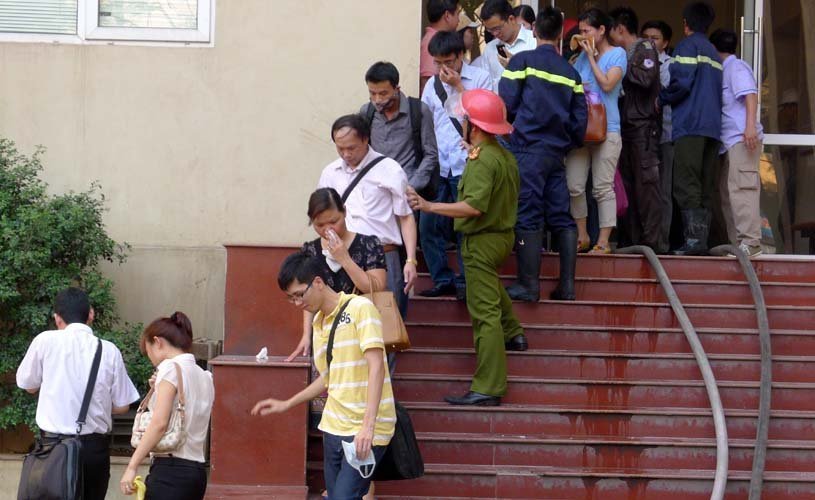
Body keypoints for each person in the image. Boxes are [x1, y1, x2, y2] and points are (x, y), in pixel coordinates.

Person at [408, 88, 527, 407]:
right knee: (490, 288)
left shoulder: (481, 161)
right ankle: (513, 331)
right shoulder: (501, 154)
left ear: (473, 126)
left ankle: (488, 386)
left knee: (484, 314)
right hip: (501, 238)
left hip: (481, 242)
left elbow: (473, 206)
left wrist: (430, 207)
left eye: (464, 120)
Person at [251, 251, 395, 499]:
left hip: (364, 430)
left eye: (299, 294)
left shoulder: (360, 308)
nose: (297, 303)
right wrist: (287, 403)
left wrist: (367, 427)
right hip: (333, 426)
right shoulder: (318, 324)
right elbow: (329, 377)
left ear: (318, 282)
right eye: (291, 298)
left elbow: (377, 367)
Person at [16, 287, 140, 500]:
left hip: (53, 449)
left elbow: (28, 385)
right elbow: (122, 406)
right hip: (93, 451)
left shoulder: (45, 341)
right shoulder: (108, 350)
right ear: (90, 314)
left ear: (57, 318)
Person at [499, 6, 588, 302]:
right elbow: (580, 120)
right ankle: (567, 287)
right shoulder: (571, 73)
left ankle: (528, 285)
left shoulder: (522, 62)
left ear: (534, 30)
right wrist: (566, 143)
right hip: (556, 153)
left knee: (528, 213)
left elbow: (506, 104)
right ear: (561, 34)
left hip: (527, 150)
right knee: (562, 216)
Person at [318, 114, 417, 318]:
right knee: (342, 322)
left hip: (382, 256)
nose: (346, 154)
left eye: (351, 148)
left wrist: (411, 260)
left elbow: (406, 217)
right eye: (340, 148)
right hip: (341, 257)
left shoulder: (389, 169)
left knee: (386, 323)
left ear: (365, 139)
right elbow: (322, 219)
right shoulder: (330, 173)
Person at [419, 31, 493, 300]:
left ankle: (465, 282)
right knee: (428, 226)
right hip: (439, 164)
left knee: (465, 228)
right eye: (437, 63)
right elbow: (426, 123)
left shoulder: (481, 78)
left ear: (461, 55)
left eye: (448, 61)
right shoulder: (431, 85)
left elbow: (485, 117)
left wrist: (460, 86)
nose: (443, 68)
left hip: (467, 163)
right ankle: (442, 279)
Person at [120, 312, 215, 500]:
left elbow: (159, 424)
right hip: (196, 472)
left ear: (158, 342)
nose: (151, 359)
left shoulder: (169, 368)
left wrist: (132, 466)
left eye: (148, 351)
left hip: (170, 471)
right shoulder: (205, 377)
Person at [287, 187, 387, 359]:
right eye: (319, 225)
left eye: (333, 222)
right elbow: (308, 295)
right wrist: (306, 334)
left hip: (361, 330)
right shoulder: (310, 250)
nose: (328, 229)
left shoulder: (368, 244)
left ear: (345, 212)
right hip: (326, 333)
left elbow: (376, 287)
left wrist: (344, 259)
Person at [659, 1, 723, 255]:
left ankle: (694, 244)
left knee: (686, 183)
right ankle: (701, 243)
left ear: (686, 24)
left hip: (690, 125)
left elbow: (681, 83)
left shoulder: (687, 46)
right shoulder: (714, 52)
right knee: (705, 185)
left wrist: (661, 98)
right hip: (712, 128)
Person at [566, 8, 627, 254]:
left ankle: (603, 241)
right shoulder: (579, 57)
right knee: (574, 185)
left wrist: (591, 58)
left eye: (587, 30)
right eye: (580, 31)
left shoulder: (617, 54)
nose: (583, 35)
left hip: (608, 128)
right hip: (581, 130)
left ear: (602, 30)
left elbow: (608, 84)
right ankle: (582, 235)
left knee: (602, 187)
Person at [609, 7, 667, 253]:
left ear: (620, 29)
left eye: (610, 30)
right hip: (626, 128)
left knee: (647, 187)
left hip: (643, 128)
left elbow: (645, 79)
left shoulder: (644, 49)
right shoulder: (626, 53)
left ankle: (651, 244)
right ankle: (631, 242)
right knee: (628, 188)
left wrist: (621, 65)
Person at [709, 28, 764, 257]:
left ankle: (750, 242)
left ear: (713, 48)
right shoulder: (725, 69)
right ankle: (738, 244)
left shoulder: (736, 67)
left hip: (742, 139)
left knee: (743, 189)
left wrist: (749, 127)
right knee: (728, 193)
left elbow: (750, 95)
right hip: (730, 142)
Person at [361, 62, 439, 198]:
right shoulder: (366, 112)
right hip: (375, 192)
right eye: (372, 93)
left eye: (383, 93)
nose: (377, 100)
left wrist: (411, 186)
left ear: (396, 89)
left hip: (408, 192)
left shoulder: (419, 111)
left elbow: (431, 154)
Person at [641, 19, 675, 252]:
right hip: (641, 136)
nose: (649, 42)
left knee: (663, 190)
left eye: (655, 38)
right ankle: (642, 239)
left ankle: (661, 242)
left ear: (666, 42)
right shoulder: (635, 62)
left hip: (665, 135)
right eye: (645, 38)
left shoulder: (671, 66)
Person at [479, 0, 537, 90]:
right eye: (490, 30)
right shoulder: (490, 49)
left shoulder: (534, 42)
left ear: (511, 19)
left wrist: (516, 68)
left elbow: (541, 85)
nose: (495, 34)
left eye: (497, 28)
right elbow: (485, 86)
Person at [421, 0, 461, 93]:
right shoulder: (432, 42)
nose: (459, 20)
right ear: (447, 15)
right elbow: (427, 82)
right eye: (457, 14)